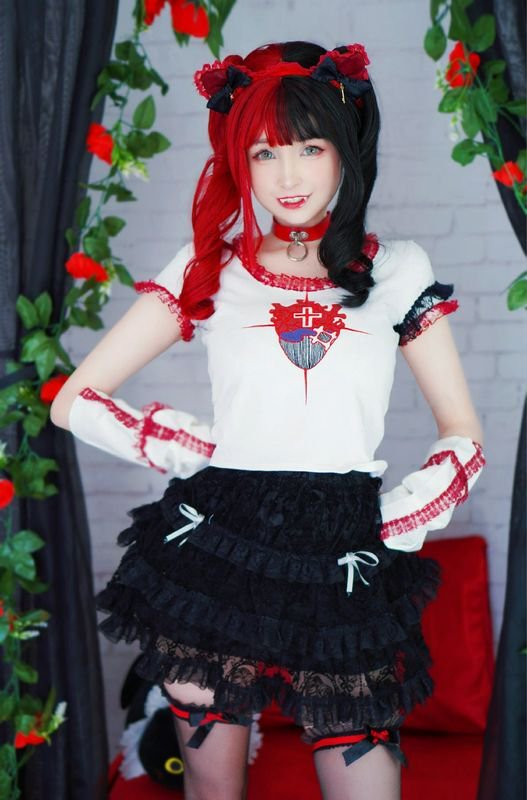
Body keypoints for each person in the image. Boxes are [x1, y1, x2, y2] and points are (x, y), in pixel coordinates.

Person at [51, 40, 485, 800]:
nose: (287, 177)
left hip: (345, 546)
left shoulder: (397, 270)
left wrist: (399, 518)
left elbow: (463, 435)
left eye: (309, 148)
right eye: (264, 153)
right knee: (213, 790)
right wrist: (187, 446)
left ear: (345, 147)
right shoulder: (209, 266)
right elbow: (73, 399)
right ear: (239, 161)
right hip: (218, 543)